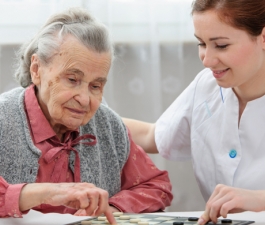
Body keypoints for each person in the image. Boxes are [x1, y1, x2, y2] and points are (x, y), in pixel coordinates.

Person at [0, 7, 173, 221]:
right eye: (72, 80)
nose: (84, 99)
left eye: (96, 86)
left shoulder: (108, 125)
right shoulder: (3, 118)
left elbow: (156, 186)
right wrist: (44, 193)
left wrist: (111, 206)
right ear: (37, 70)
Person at [123, 0, 265, 224]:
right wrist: (85, 116)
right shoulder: (207, 86)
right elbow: (154, 136)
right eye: (201, 43)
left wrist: (260, 200)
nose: (207, 60)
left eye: (221, 45)